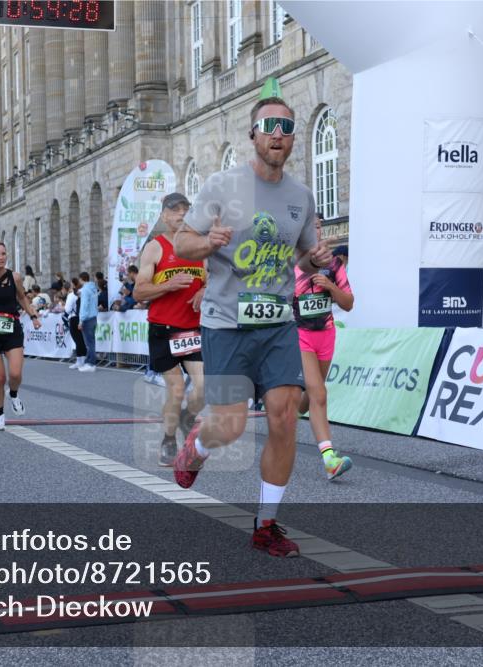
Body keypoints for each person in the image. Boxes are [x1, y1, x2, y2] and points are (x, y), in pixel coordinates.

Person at [173, 93, 334, 557]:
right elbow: (183, 242)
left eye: (287, 128)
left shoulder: (301, 196)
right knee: (229, 425)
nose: (278, 135)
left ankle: (266, 524)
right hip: (226, 322)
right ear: (254, 135)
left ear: (293, 139)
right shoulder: (223, 185)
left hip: (279, 322)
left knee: (286, 417)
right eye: (270, 127)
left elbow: (303, 254)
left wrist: (315, 258)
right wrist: (208, 242)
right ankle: (198, 447)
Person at [134, 192, 207, 467]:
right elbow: (139, 292)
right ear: (164, 216)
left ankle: (187, 417)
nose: (181, 215)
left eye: (185, 210)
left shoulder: (200, 247)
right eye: (175, 210)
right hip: (163, 329)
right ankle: (168, 438)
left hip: (190, 329)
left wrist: (205, 291)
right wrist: (168, 284)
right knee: (176, 389)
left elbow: (210, 280)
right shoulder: (156, 247)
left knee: (204, 386)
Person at [294, 215, 355, 480]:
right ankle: (330, 459)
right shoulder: (291, 262)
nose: (316, 231)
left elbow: (349, 303)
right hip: (298, 334)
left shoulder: (333, 264)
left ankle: (289, 405)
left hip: (325, 334)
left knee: (307, 401)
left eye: (319, 226)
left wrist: (330, 286)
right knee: (319, 393)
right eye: (311, 227)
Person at [0, 241, 42, 431]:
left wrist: (33, 316)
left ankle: (13, 394)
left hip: (12, 329)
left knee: (15, 373)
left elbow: (21, 297)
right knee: (0, 378)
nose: (1, 257)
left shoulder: (15, 276)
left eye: (3, 254)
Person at [77, 272, 99, 372]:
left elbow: (84, 306)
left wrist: (81, 320)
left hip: (87, 318)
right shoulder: (94, 289)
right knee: (91, 341)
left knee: (89, 342)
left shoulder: (85, 290)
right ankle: (89, 362)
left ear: (81, 279)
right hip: (94, 317)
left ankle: (91, 363)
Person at [66, 276, 87, 368]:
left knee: (77, 339)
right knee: (82, 339)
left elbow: (67, 309)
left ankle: (79, 361)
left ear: (73, 285)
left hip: (74, 318)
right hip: (83, 317)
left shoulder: (72, 295)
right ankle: (83, 360)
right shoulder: (84, 293)